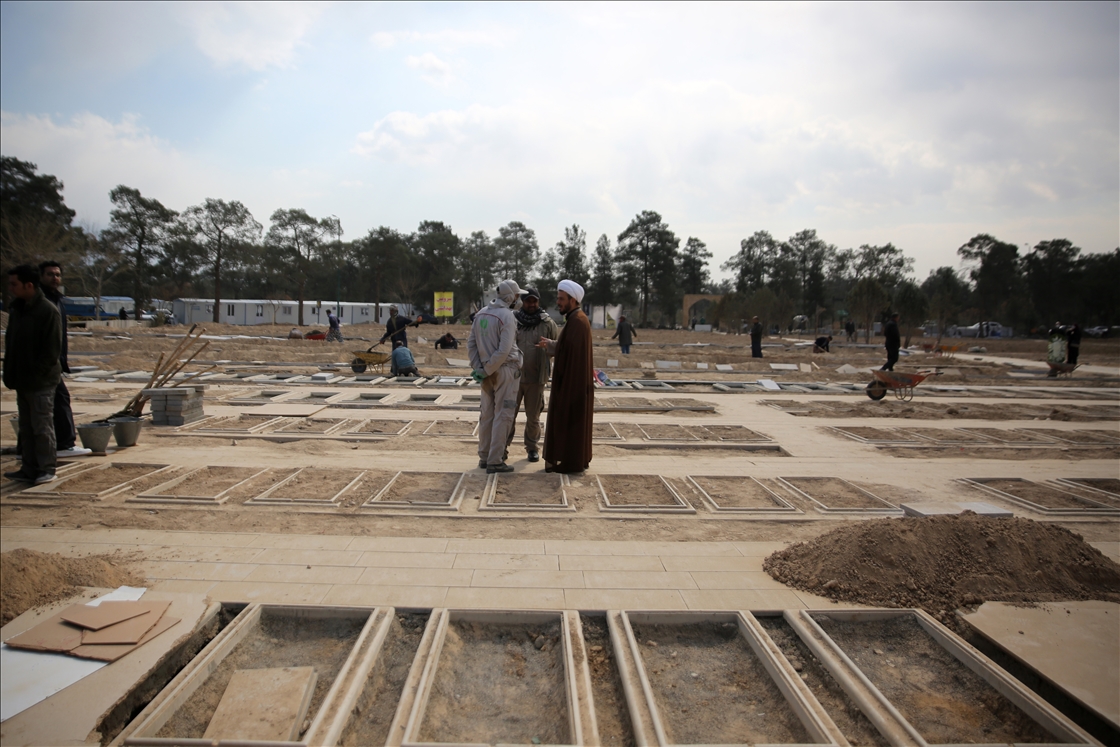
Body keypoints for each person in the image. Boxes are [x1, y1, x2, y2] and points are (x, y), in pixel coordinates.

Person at [4, 265, 63, 484]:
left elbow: (51, 352)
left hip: (41, 382)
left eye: (14, 284)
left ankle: (47, 468)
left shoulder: (47, 311)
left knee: (42, 427)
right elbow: (11, 343)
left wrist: (35, 375)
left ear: (29, 285)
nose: (10, 288)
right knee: (26, 428)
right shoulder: (18, 309)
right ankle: (28, 468)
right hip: (23, 381)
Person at [468, 279, 524, 473]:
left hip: (486, 372)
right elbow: (503, 350)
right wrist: (488, 369)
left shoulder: (481, 314)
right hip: (505, 371)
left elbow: (472, 345)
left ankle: (484, 456)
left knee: (487, 415)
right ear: (510, 297)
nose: (518, 300)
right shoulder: (507, 316)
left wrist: (479, 369)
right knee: (504, 415)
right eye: (517, 296)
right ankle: (495, 460)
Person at [537, 279, 593, 474]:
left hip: (572, 384)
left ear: (573, 299)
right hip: (571, 382)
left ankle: (570, 461)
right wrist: (553, 345)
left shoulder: (577, 321)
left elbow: (570, 354)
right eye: (558, 298)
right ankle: (569, 459)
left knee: (568, 421)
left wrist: (554, 347)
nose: (558, 302)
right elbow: (568, 348)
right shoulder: (575, 319)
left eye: (562, 299)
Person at [38, 261, 89, 457]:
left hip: (55, 361)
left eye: (57, 274)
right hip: (47, 363)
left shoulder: (56, 300)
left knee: (48, 403)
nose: (55, 278)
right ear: (41, 276)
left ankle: (30, 448)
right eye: (50, 274)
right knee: (56, 401)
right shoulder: (42, 301)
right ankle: (64, 444)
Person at [506, 287, 559, 463]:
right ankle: (502, 447)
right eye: (528, 300)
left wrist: (550, 347)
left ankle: (532, 448)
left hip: (536, 379)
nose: (531, 304)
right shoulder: (512, 320)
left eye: (534, 301)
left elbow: (557, 347)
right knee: (507, 416)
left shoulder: (547, 323)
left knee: (533, 418)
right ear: (522, 301)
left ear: (538, 301)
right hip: (513, 378)